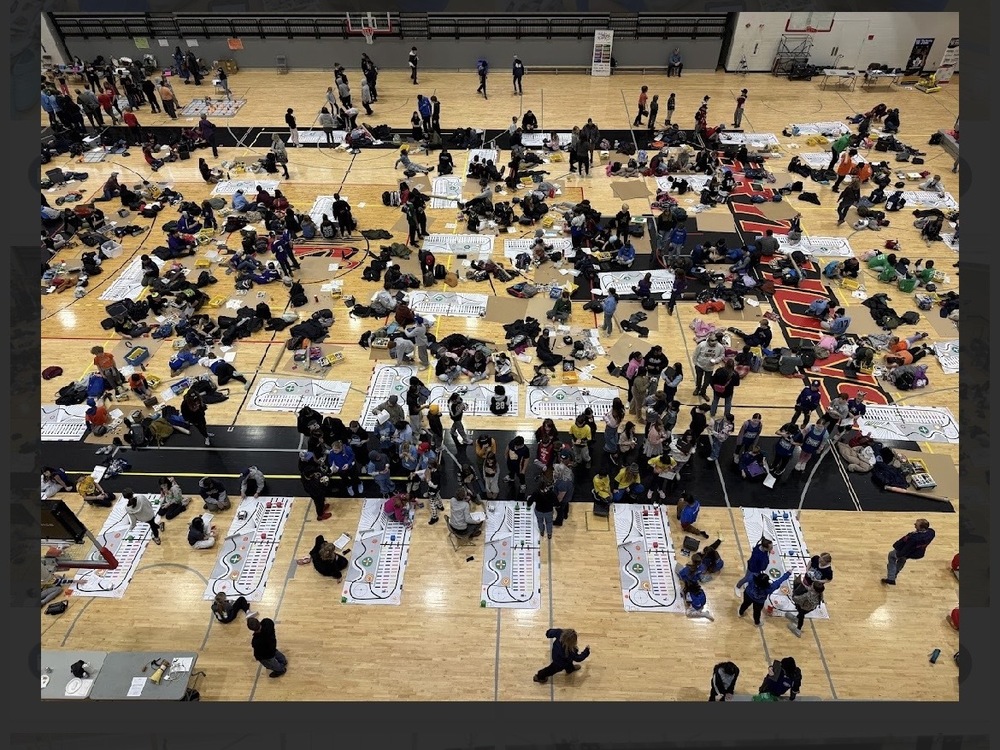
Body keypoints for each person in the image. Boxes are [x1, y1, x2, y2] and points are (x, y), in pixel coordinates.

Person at [883, 518, 936, 585]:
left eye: (916, 524)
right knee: (902, 560)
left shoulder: (914, 538)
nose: (914, 524)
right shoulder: (931, 532)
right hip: (917, 552)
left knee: (892, 555)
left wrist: (898, 554)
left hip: (907, 551)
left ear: (921, 528)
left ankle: (891, 578)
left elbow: (906, 549)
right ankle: (893, 575)